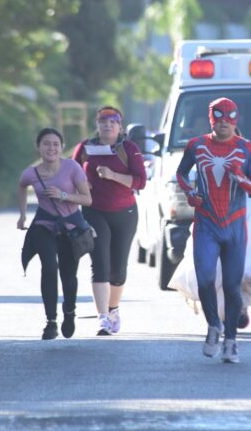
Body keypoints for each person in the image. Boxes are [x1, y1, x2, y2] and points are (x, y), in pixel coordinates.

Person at [176, 97, 251, 363]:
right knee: (204, 280)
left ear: (236, 120)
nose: (224, 122)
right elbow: (181, 173)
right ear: (211, 118)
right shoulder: (196, 145)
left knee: (231, 286)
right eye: (219, 117)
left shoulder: (247, 149)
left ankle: (231, 341)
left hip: (235, 227)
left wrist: (241, 178)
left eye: (230, 117)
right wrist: (190, 193)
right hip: (206, 223)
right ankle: (213, 326)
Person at [73, 106, 147, 336]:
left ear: (120, 126)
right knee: (100, 264)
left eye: (113, 122)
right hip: (94, 211)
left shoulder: (129, 149)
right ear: (97, 125)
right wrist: (84, 185)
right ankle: (102, 317)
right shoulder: (85, 148)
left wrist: (114, 175)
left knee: (118, 270)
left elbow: (140, 182)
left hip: (124, 213)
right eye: (103, 121)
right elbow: (71, 174)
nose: (107, 125)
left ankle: (113, 309)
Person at [18, 128, 93, 340]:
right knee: (49, 268)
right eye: (46, 144)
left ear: (61, 147)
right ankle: (50, 321)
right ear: (38, 147)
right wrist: (22, 215)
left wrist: (64, 195)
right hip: (44, 226)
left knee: (68, 276)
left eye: (56, 144)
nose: (51, 148)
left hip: (70, 229)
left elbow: (87, 199)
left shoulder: (72, 167)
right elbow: (21, 186)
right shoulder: (31, 173)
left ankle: (69, 313)